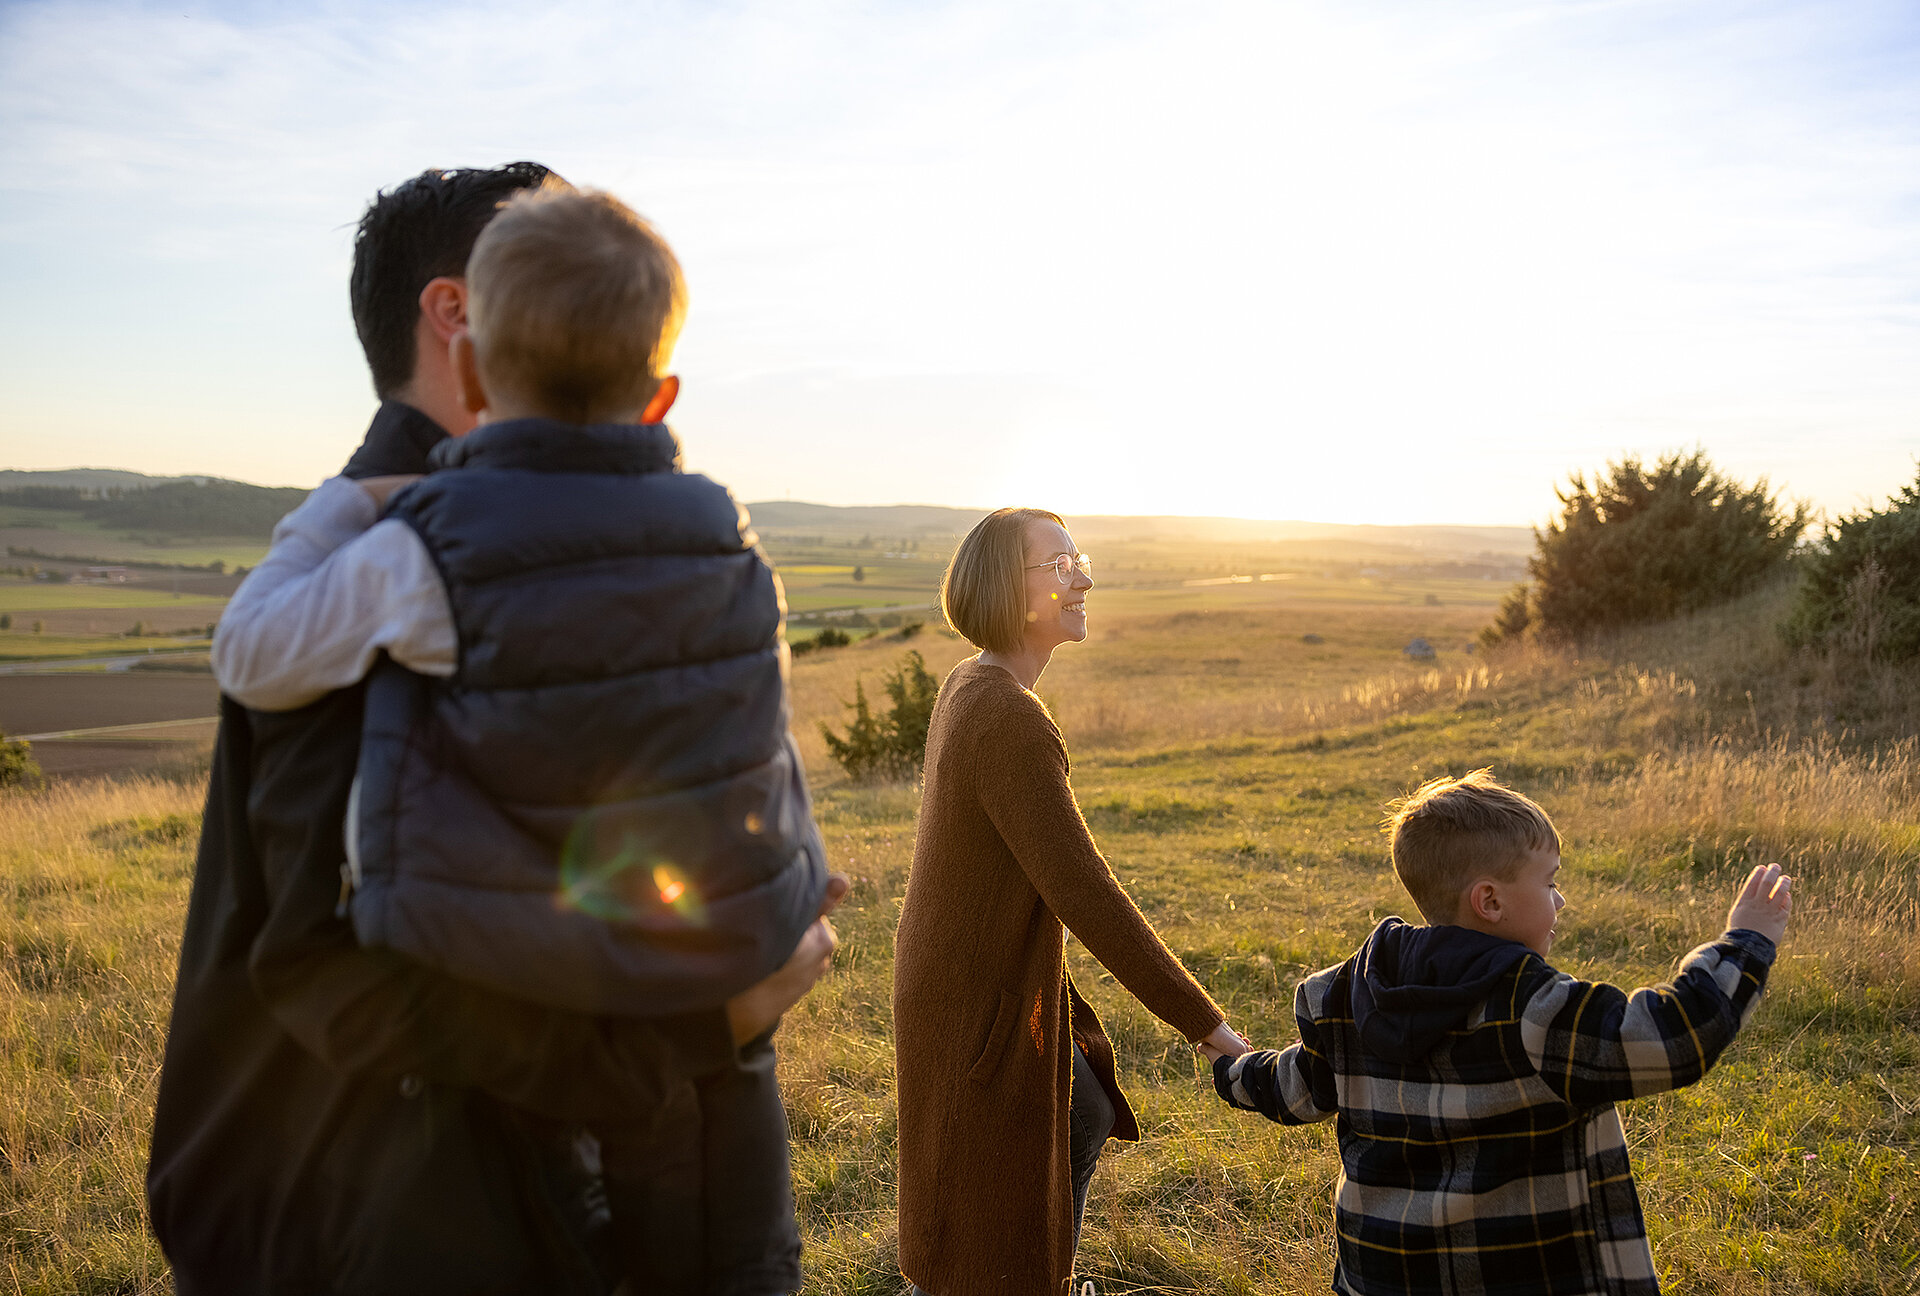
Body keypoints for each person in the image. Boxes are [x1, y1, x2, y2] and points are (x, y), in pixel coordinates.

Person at [148, 163, 839, 1296]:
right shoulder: (401, 560)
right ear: (453, 316)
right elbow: (334, 983)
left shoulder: (411, 555)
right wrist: (711, 1023)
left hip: (651, 1205)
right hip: (461, 1233)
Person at [1211, 769, 1793, 1296]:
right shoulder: (1535, 1010)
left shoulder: (1342, 997)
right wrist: (1745, 943)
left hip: (1384, 1278)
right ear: (1488, 900)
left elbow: (1294, 1088)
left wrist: (1233, 1068)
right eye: (1548, 883)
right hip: (1529, 1274)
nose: (1559, 898)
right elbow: (1671, 1038)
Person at [892, 507, 1250, 1296]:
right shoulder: (1006, 717)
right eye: (1059, 566)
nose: (1083, 576)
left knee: (1080, 1117)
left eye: (1077, 559)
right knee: (977, 1210)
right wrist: (1212, 1031)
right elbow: (1088, 897)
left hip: (961, 983)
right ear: (1005, 590)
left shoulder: (973, 683)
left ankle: (1039, 1271)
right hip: (971, 1003)